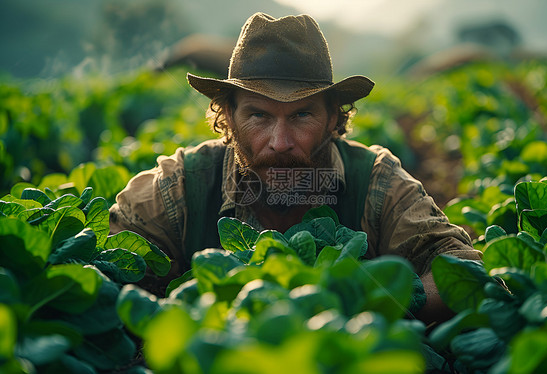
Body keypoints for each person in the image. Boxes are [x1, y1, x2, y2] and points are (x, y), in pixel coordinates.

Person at [109, 13, 482, 324]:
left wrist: (380, 311)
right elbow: (113, 269)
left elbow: (461, 266)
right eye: (259, 115)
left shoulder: (376, 181)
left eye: (302, 115)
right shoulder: (178, 188)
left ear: (334, 118)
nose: (280, 142)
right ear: (227, 116)